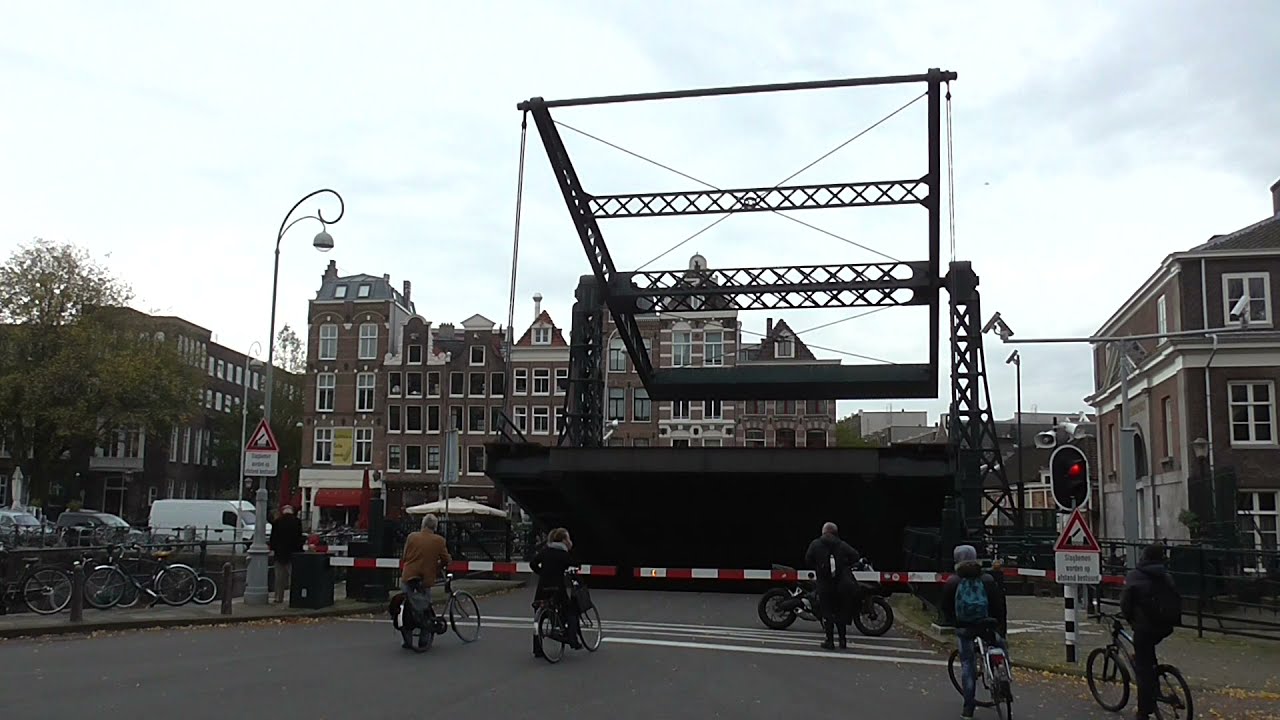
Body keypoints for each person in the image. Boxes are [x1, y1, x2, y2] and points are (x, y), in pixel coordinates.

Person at [942, 544, 1009, 720]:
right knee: (1000, 646)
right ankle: (1004, 676)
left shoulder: (952, 581)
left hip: (965, 628)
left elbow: (946, 608)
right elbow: (998, 605)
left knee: (967, 664)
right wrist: (1001, 628)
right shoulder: (986, 579)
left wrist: (953, 623)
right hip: (987, 625)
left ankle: (968, 709)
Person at [1120, 544, 1181, 720]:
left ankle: (1143, 711)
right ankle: (1157, 687)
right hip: (1165, 625)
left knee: (1143, 669)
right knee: (1147, 654)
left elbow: (1126, 603)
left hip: (1145, 628)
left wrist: (1130, 619)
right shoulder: (1166, 576)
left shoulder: (1135, 576)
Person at [803, 522, 860, 650]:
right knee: (841, 612)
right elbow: (855, 556)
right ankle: (842, 640)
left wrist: (819, 566)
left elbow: (808, 559)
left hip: (824, 584)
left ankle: (829, 641)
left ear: (823, 532)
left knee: (827, 612)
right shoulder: (842, 545)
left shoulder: (816, 544)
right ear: (836, 533)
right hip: (841, 584)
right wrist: (845, 564)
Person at [399, 514, 452, 649]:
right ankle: (424, 639)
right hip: (424, 579)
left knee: (407, 607)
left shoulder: (412, 537)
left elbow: (404, 556)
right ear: (435, 526)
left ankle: (407, 639)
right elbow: (446, 560)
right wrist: (437, 567)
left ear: (422, 524)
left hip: (408, 576)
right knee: (425, 608)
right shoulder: (439, 541)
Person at [530, 527, 580, 653]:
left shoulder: (545, 551)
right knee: (571, 611)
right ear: (564, 540)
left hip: (542, 588)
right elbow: (574, 565)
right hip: (557, 588)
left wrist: (542, 573)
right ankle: (572, 640)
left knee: (539, 615)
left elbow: (533, 563)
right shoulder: (563, 554)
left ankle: (537, 649)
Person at [268, 505, 303, 604]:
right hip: (293, 554)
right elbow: (299, 538)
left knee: (279, 578)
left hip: (280, 554)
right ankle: (294, 597)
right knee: (294, 577)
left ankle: (278, 597)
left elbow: (273, 539)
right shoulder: (297, 522)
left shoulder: (277, 522)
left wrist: (273, 549)